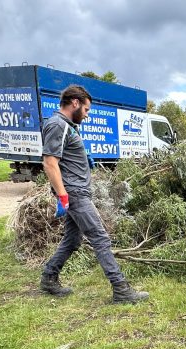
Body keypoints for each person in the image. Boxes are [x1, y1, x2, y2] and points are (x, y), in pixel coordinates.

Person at [40, 84, 149, 304]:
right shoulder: (57, 125)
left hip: (76, 192)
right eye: (87, 110)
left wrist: (83, 158)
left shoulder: (68, 126)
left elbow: (65, 156)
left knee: (72, 240)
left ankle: (49, 277)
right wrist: (63, 195)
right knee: (100, 237)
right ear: (75, 103)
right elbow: (49, 163)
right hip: (74, 194)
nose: (87, 115)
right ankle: (121, 289)